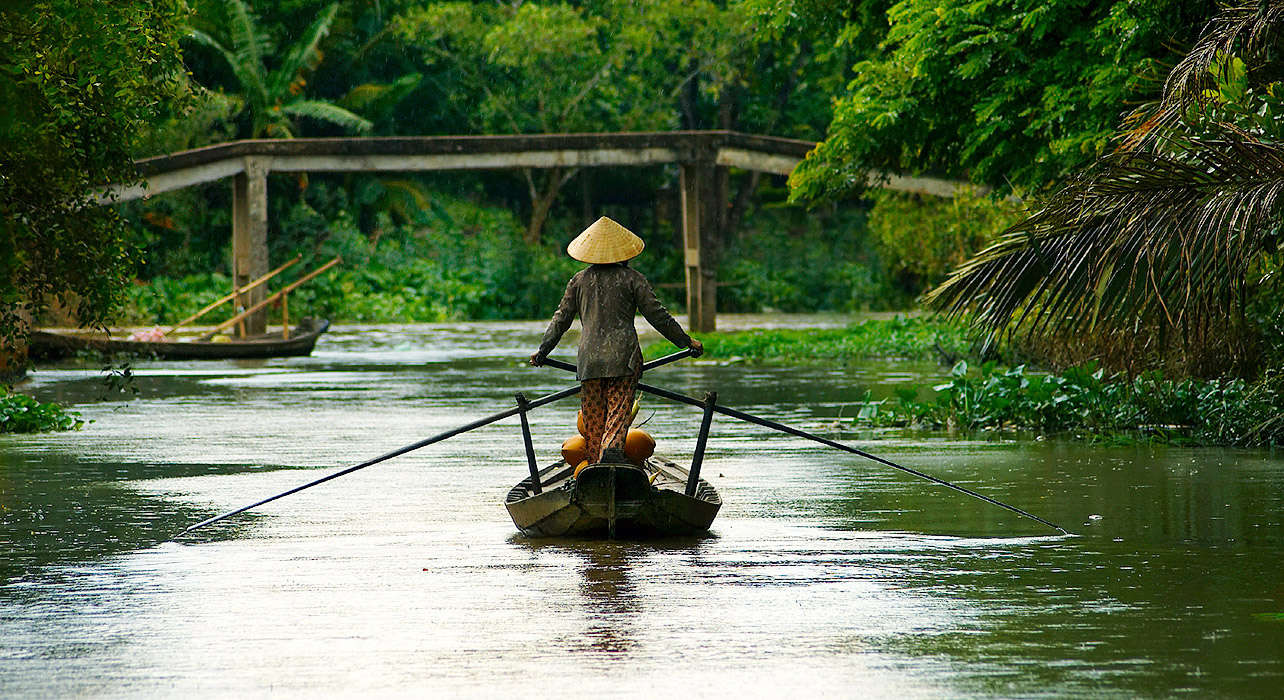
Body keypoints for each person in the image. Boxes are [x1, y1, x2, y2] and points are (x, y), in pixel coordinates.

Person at [530, 216, 703, 464]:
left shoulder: (578, 281)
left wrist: (542, 351)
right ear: (624, 253)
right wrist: (686, 342)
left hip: (589, 361)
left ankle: (594, 467)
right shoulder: (632, 279)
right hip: (624, 360)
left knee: (593, 424)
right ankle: (611, 455)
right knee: (617, 417)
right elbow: (658, 316)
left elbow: (561, 320)